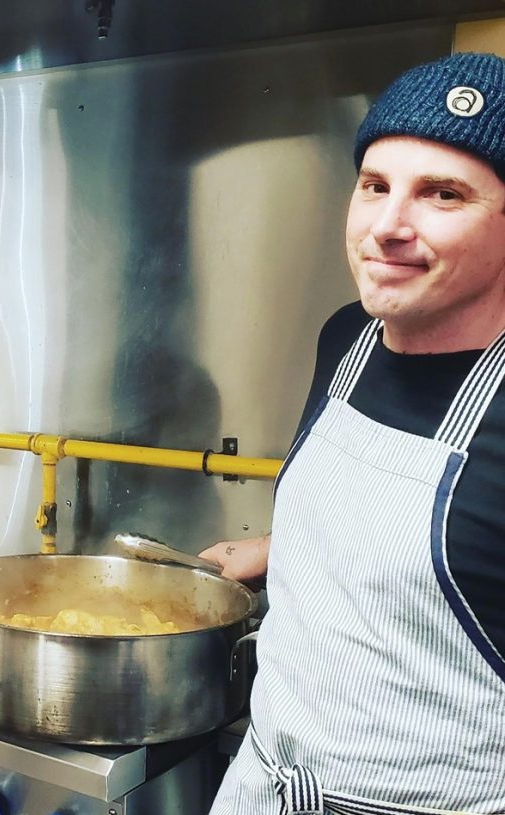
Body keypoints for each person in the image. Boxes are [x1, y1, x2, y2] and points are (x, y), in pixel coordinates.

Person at [200, 51, 505, 815]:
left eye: (443, 194)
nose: (388, 226)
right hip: (264, 781)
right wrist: (280, 548)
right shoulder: (349, 338)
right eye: (374, 186)